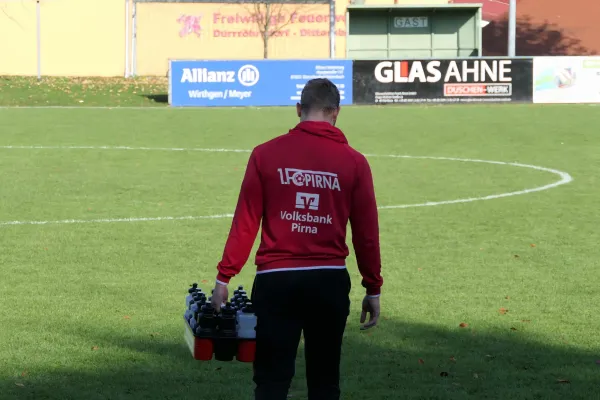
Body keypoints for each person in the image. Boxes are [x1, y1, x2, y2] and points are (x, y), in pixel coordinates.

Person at [210, 78, 383, 400]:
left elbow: (245, 222)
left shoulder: (265, 154)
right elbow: (366, 234)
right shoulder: (354, 162)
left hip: (277, 281)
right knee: (325, 379)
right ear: (337, 112)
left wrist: (224, 277)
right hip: (328, 281)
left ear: (298, 109)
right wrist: (373, 286)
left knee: (272, 380)